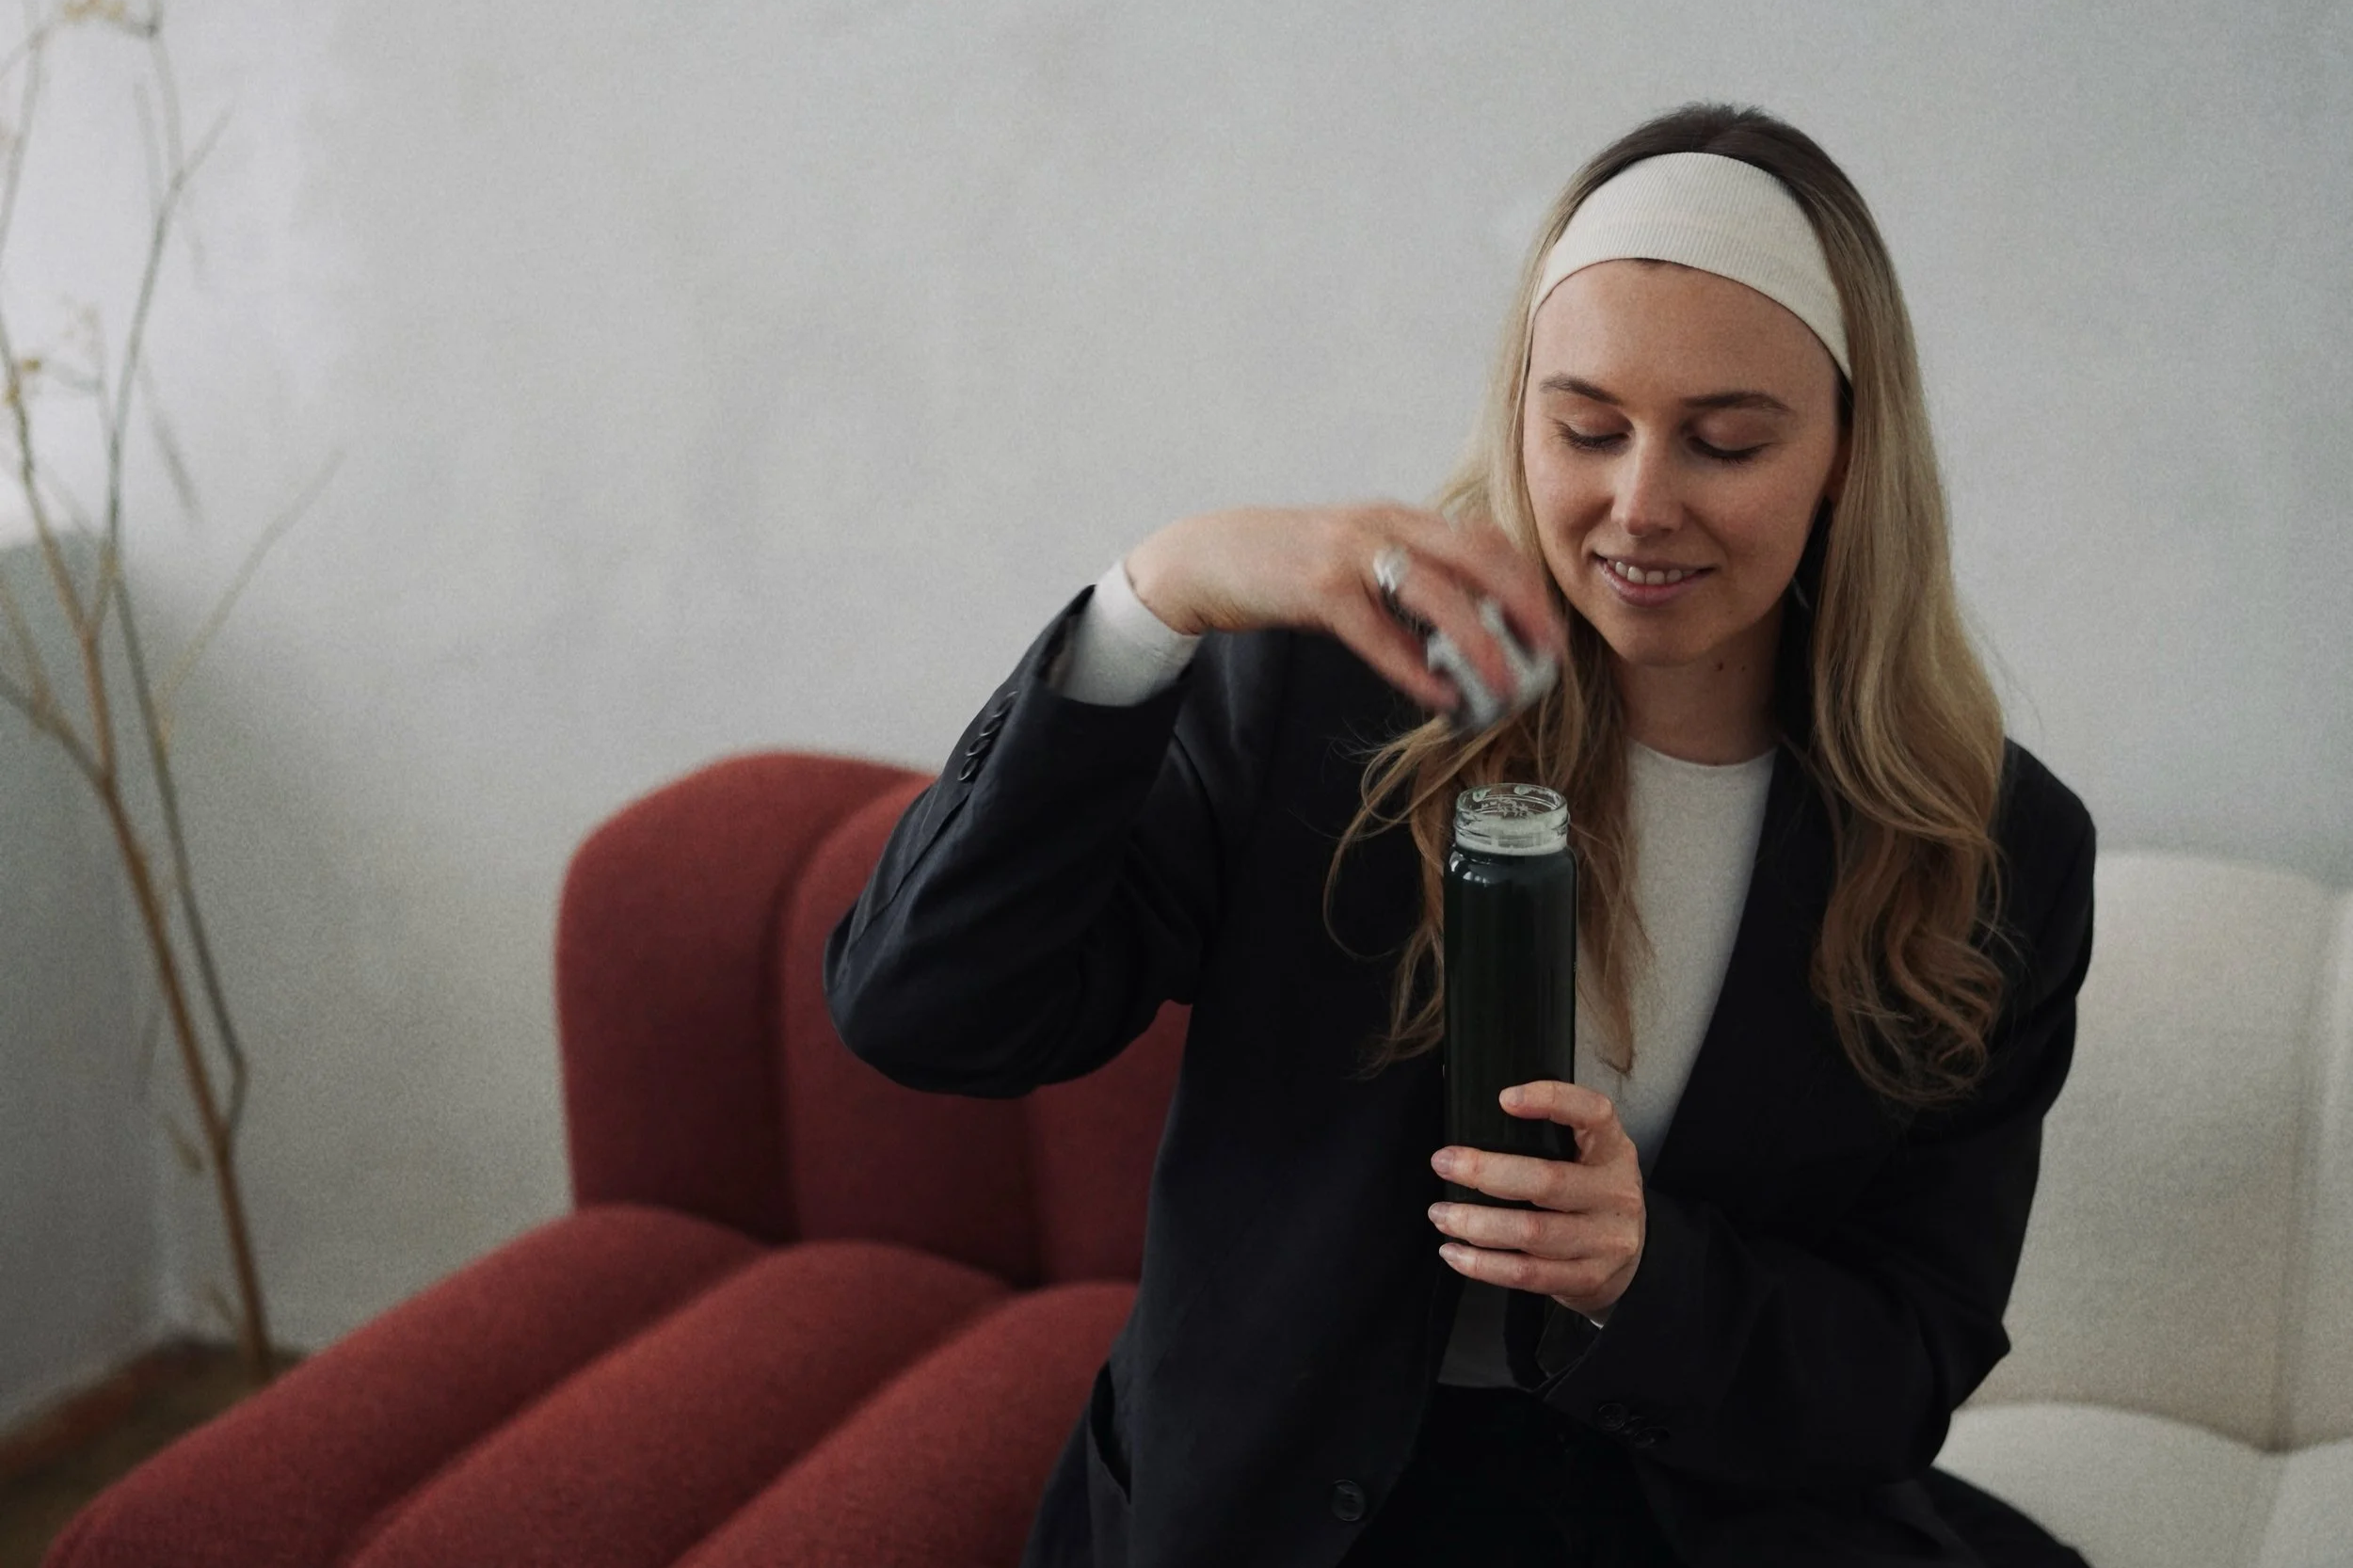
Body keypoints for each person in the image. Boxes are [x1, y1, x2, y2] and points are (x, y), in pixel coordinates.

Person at [824, 101, 2097, 1568]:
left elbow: (1906, 1359)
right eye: (1586, 427)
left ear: (1845, 454)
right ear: (1520, 414)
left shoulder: (1996, 849)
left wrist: (1644, 1270)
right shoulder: (1316, 693)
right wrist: (1149, 601)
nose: (1640, 503)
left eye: (1726, 443)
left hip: (1692, 1516)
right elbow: (920, 1011)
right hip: (1278, 1515)